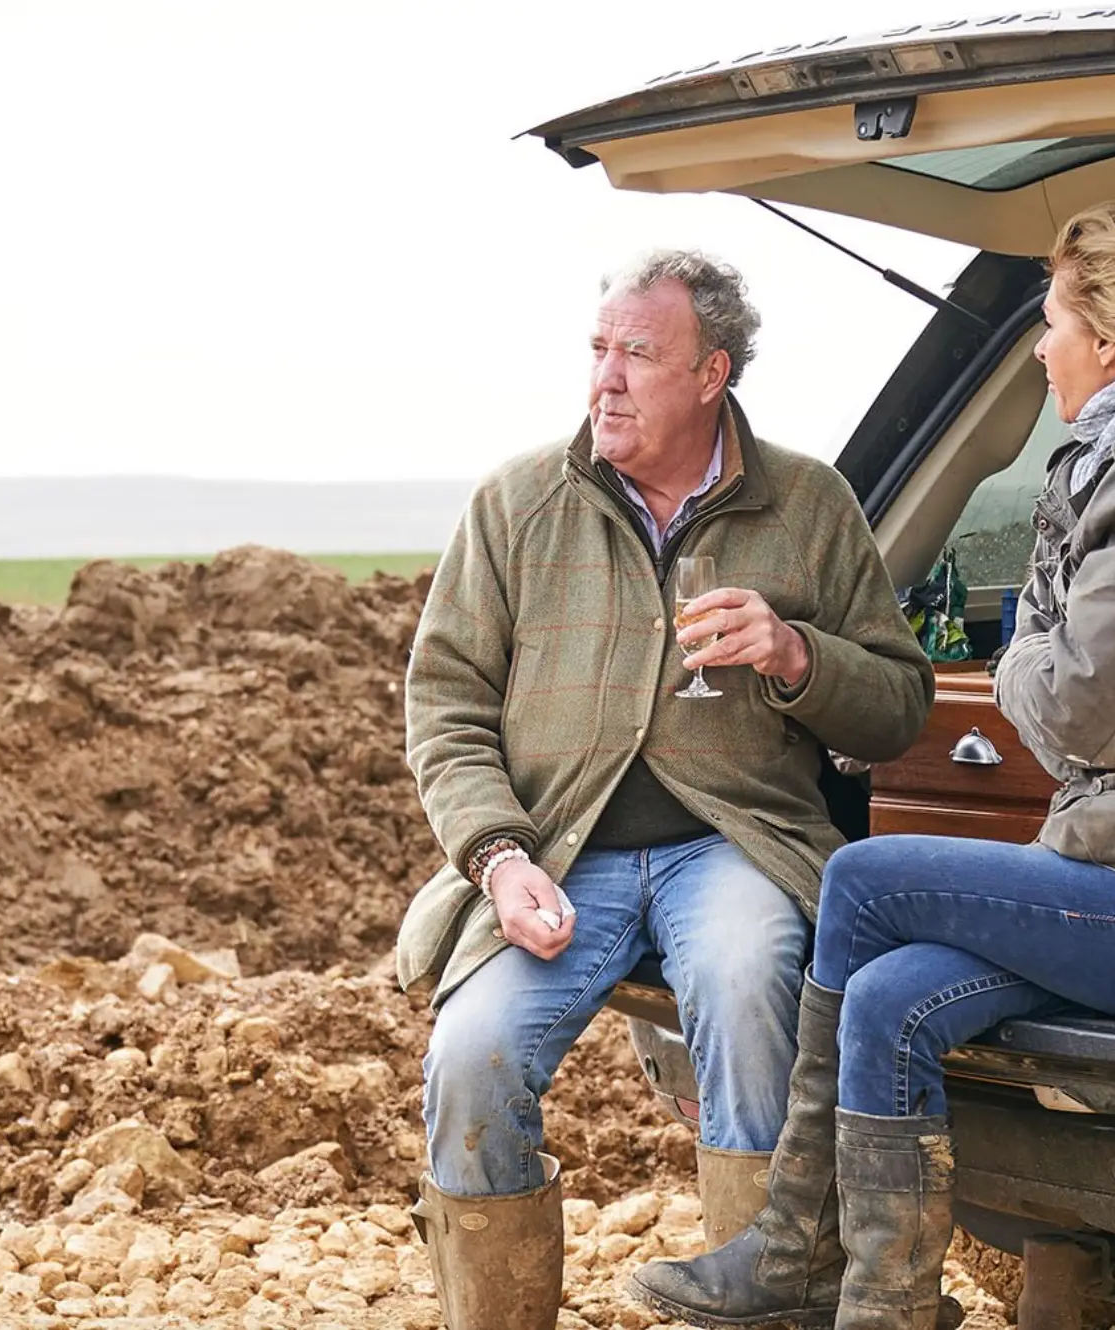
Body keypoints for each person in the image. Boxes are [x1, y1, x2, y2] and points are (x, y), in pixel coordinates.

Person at [632, 202, 1115, 1330]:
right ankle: (881, 1305)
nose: (1039, 347)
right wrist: (1041, 656)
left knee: (862, 878)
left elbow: (1079, 722)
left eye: (1048, 322)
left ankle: (797, 1254)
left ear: (1109, 331)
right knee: (893, 994)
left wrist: (1010, 655)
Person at [397, 249, 934, 1330]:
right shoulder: (516, 503)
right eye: (597, 350)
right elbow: (443, 706)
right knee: (467, 1058)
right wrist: (497, 856)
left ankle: (767, 1295)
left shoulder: (809, 503)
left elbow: (899, 707)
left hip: (730, 847)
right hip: (551, 854)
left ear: (709, 375)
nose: (603, 377)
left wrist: (794, 655)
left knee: (748, 983)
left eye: (636, 354)